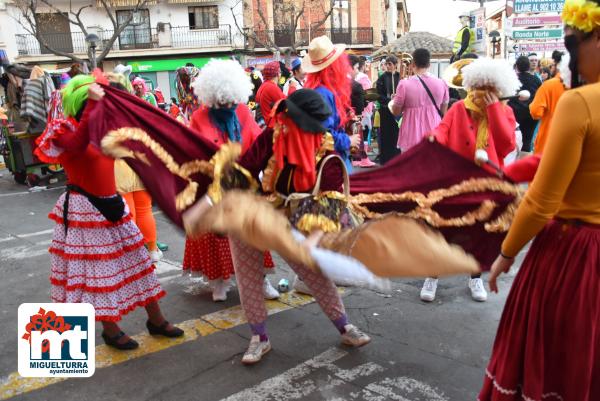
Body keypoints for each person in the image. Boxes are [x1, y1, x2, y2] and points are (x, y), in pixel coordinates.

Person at [183, 89, 371, 364]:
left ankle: (345, 326)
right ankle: (259, 338)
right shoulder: (273, 136)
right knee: (248, 279)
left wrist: (311, 243)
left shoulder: (325, 150)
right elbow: (240, 175)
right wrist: (200, 210)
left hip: (294, 221)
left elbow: (328, 203)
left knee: (315, 275)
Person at [480, 2, 600, 398]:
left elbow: (541, 201)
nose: (570, 57)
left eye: (572, 44)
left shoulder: (579, 102)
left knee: (554, 365)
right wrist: (511, 171)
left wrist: (505, 253)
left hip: (574, 254)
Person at [34, 74, 183, 350]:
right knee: (97, 276)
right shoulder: (63, 130)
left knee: (140, 263)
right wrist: (93, 104)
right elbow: (78, 145)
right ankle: (111, 330)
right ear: (82, 103)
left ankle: (156, 320)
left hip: (113, 204)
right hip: (85, 210)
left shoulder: (101, 127)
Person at [420, 58, 519, 303]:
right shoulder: (458, 109)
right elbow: (443, 130)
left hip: (487, 181)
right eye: (477, 87)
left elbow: (506, 145)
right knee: (444, 228)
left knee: (478, 231)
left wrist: (494, 110)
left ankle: (475, 278)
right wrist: (433, 138)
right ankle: (432, 275)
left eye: (486, 88)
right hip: (455, 178)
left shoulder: (505, 111)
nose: (480, 93)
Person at [184, 59, 278, 302]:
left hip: (244, 182)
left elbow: (257, 142)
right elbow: (194, 148)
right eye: (222, 101)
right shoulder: (199, 117)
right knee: (217, 236)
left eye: (231, 100)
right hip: (214, 184)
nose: (228, 105)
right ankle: (220, 282)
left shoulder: (243, 111)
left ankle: (261, 279)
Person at [106, 72, 164, 263]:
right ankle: (152, 249)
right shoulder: (139, 108)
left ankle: (134, 254)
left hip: (118, 166)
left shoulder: (106, 113)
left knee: (127, 213)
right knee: (145, 210)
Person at [303, 36, 361, 171]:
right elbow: (323, 135)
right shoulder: (323, 93)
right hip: (331, 163)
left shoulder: (320, 90)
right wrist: (348, 140)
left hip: (329, 160)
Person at [389, 48, 449, 152]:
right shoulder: (442, 83)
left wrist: (394, 100)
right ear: (429, 65)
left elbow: (396, 111)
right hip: (435, 132)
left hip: (411, 134)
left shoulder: (404, 84)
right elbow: (443, 111)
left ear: (412, 64)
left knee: (411, 167)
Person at [530, 53, 570, 155]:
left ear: (557, 66)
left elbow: (536, 112)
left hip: (548, 143)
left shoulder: (549, 85)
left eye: (552, 66)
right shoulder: (587, 86)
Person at [509, 55, 541, 153]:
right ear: (528, 66)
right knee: (527, 139)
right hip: (530, 114)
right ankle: (524, 162)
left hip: (514, 114)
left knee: (513, 138)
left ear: (517, 66)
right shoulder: (536, 80)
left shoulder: (512, 79)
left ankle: (514, 160)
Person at [348, 55, 376, 168]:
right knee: (358, 137)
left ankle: (357, 158)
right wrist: (366, 102)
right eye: (356, 68)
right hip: (355, 115)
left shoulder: (341, 81)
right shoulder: (358, 83)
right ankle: (361, 158)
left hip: (346, 117)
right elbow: (361, 104)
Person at [375, 55, 401, 164]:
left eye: (390, 64)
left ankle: (397, 159)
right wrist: (389, 99)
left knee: (396, 135)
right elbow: (378, 95)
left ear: (395, 65)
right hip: (385, 111)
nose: (388, 66)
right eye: (387, 64)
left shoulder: (400, 77)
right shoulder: (381, 78)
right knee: (386, 136)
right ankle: (386, 160)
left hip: (397, 112)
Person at [255, 61, 285, 128]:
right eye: (280, 72)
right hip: (271, 125)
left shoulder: (264, 85)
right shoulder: (271, 87)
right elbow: (286, 103)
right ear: (277, 74)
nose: (280, 74)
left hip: (264, 125)